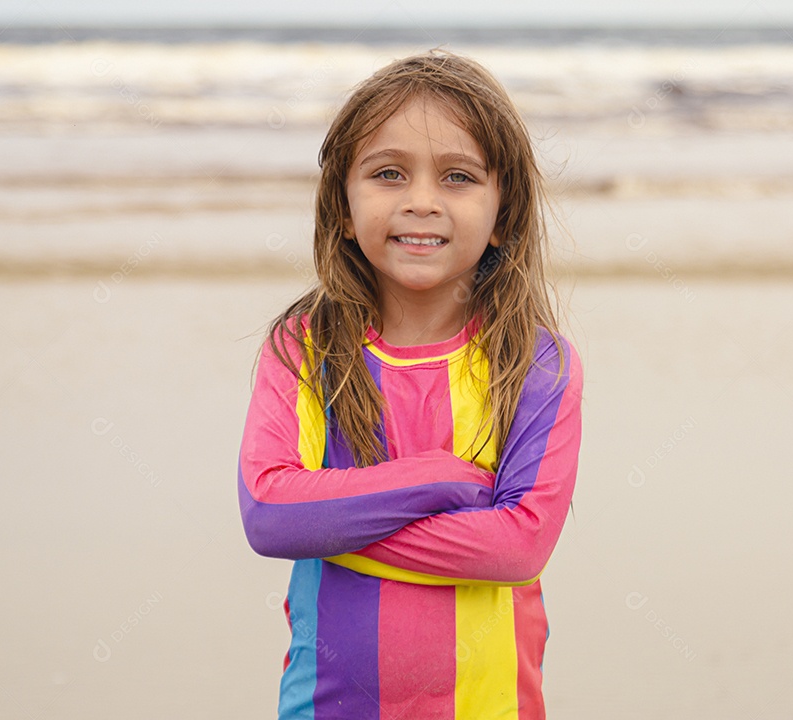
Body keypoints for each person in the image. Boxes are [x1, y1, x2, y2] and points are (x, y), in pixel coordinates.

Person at [237, 49, 584, 720]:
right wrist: (440, 482)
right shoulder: (305, 350)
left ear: (503, 212)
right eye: (388, 174)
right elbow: (271, 513)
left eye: (458, 177)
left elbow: (517, 545)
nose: (420, 202)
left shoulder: (536, 363)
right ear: (343, 202)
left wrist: (331, 521)